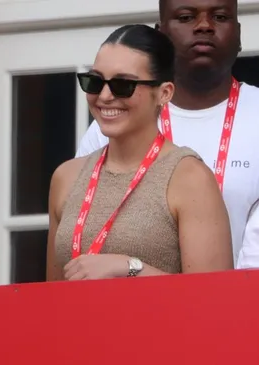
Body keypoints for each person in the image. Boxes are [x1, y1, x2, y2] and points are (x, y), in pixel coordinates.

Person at [76, 0, 259, 269]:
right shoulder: (112, 126)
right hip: (130, 306)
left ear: (239, 33)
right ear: (160, 35)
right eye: (186, 17)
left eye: (220, 17)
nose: (204, 26)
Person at [46, 24, 233, 281]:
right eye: (95, 81)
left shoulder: (188, 177)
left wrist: (131, 267)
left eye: (123, 85)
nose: (105, 96)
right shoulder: (66, 177)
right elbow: (50, 296)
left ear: (164, 93)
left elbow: (215, 299)